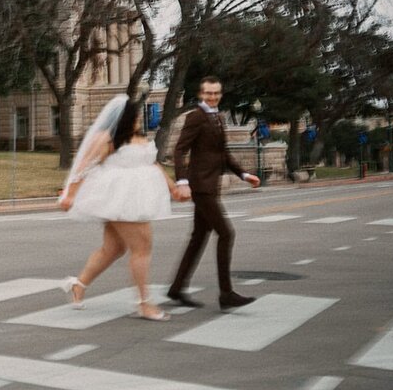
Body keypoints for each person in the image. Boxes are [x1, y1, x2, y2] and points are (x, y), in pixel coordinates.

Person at [59, 94, 186, 322]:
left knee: (114, 248)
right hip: (121, 198)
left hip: (135, 198)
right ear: (126, 118)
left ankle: (78, 285)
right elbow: (83, 167)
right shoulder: (107, 138)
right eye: (136, 115)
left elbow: (153, 164)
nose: (140, 119)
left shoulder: (140, 138)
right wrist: (70, 194)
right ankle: (144, 304)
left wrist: (173, 188)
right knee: (142, 248)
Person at [167, 76, 261, 312]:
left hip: (210, 186)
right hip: (201, 187)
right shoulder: (196, 116)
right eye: (208, 93)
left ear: (220, 94)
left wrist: (243, 174)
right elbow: (179, 150)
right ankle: (226, 293)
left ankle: (177, 288)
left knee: (198, 238)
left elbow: (223, 153)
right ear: (201, 94)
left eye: (216, 93)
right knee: (227, 233)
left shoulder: (218, 117)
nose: (212, 96)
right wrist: (182, 181)